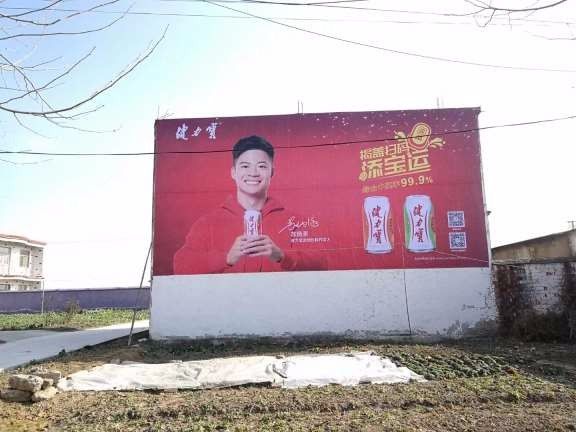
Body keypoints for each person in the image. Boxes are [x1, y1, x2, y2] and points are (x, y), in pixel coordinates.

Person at [173, 135, 326, 274]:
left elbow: (321, 262)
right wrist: (226, 258)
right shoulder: (208, 223)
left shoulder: (294, 223)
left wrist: (282, 256)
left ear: (272, 172)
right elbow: (180, 265)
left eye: (262, 166)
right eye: (245, 166)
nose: (253, 173)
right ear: (233, 172)